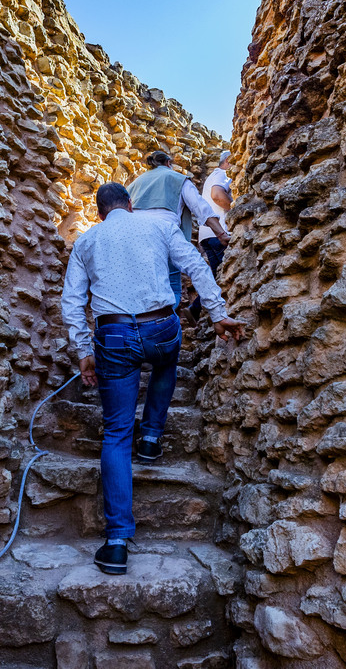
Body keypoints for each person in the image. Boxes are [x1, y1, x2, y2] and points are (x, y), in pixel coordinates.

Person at [61, 182, 244, 575]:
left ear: (99, 213)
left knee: (114, 433)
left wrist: (83, 353)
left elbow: (73, 302)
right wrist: (216, 313)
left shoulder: (87, 241)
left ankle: (115, 542)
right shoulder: (159, 227)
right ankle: (151, 435)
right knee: (168, 355)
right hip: (160, 327)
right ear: (130, 204)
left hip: (112, 336)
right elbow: (195, 265)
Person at [126, 151, 228, 308]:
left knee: (138, 288)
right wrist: (221, 234)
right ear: (168, 163)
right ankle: (168, 324)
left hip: (134, 239)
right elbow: (201, 208)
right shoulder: (178, 179)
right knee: (172, 285)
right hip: (165, 236)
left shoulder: (133, 185)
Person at [189, 151, 235, 321]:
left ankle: (195, 308)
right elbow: (217, 195)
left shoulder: (211, 176)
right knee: (225, 275)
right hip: (219, 232)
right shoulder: (222, 174)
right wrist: (236, 209)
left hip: (207, 234)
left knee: (217, 275)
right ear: (228, 161)